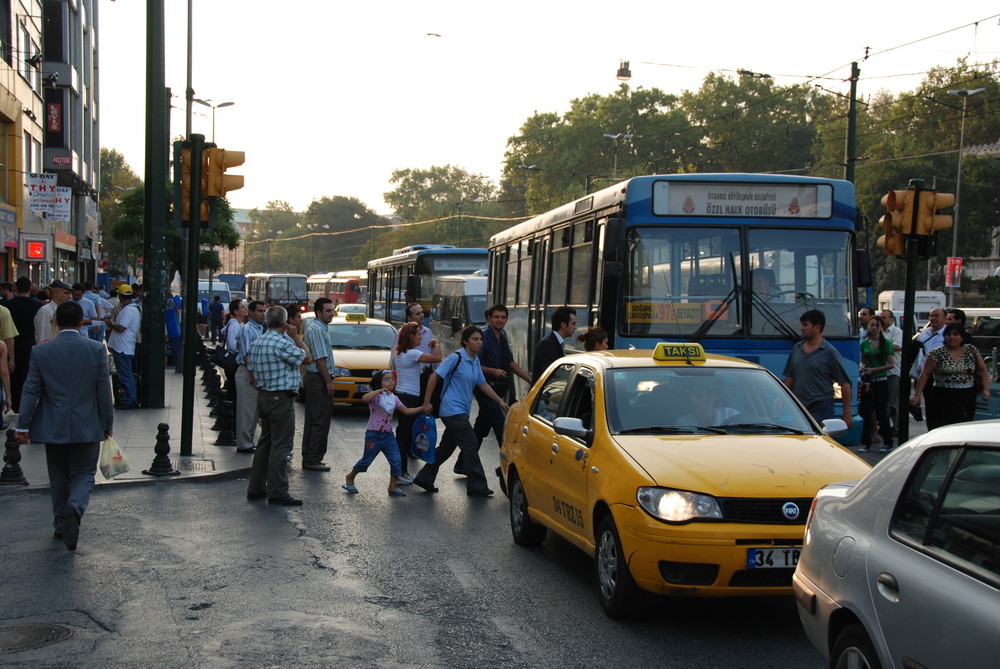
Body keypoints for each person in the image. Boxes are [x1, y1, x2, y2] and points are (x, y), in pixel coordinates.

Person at [15, 300, 114, 551]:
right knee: (83, 474)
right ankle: (75, 507)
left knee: (58, 476)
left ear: (56, 322)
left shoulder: (41, 351)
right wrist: (107, 422)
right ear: (82, 322)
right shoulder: (95, 350)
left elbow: (31, 390)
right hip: (87, 423)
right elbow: (104, 391)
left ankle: (61, 522)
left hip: (53, 425)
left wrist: (23, 426)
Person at [412, 325, 509, 497]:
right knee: (470, 444)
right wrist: (426, 402)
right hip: (451, 409)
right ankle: (477, 485)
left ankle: (425, 478)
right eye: (475, 339)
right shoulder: (456, 357)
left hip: (462, 410)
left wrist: (500, 401)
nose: (479, 342)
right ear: (465, 341)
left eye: (481, 339)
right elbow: (435, 377)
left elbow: (483, 384)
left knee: (446, 448)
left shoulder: (475, 361)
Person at [246, 306, 312, 506]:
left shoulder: (258, 341)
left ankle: (256, 487)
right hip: (281, 398)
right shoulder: (282, 342)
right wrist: (296, 337)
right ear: (285, 323)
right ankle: (277, 490)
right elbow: (307, 358)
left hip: (264, 396)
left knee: (265, 443)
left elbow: (250, 369)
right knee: (281, 445)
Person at [343, 370, 425, 497]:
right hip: (373, 435)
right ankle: (350, 477)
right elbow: (364, 398)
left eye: (392, 379)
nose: (391, 381)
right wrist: (379, 391)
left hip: (388, 435)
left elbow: (407, 411)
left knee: (396, 460)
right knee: (366, 461)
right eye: (387, 379)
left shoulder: (394, 398)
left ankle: (392, 486)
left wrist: (422, 408)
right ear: (379, 383)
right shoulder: (375, 397)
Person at [910, 323, 990, 429]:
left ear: (962, 337)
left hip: (965, 395)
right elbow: (925, 374)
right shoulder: (937, 353)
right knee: (941, 426)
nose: (952, 337)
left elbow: (983, 369)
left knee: (963, 426)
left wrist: (986, 389)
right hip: (942, 395)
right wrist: (917, 395)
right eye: (948, 334)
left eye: (955, 334)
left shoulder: (971, 350)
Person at [783, 309, 854, 428]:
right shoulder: (797, 349)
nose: (801, 328)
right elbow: (790, 377)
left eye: (805, 325)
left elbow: (845, 384)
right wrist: (781, 397)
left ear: (817, 327)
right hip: (799, 408)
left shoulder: (829, 352)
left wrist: (847, 414)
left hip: (821, 407)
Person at [474, 304, 532, 450]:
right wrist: (493, 371)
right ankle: (506, 463)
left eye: (503, 317)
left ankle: (462, 463)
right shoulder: (484, 337)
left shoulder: (502, 336)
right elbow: (474, 365)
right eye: (496, 317)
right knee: (501, 425)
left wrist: (532, 381)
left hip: (497, 387)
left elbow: (511, 363)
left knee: (482, 427)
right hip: (484, 387)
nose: (500, 320)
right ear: (489, 319)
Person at [392, 321, 441, 483]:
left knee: (403, 434)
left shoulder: (399, 353)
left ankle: (402, 472)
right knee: (405, 436)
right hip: (409, 397)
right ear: (412, 337)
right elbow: (437, 358)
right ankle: (399, 474)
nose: (421, 337)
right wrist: (437, 344)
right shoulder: (412, 354)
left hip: (401, 394)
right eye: (419, 334)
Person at [301, 297, 336, 471]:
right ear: (319, 312)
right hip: (318, 379)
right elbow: (320, 359)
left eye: (332, 310)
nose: (332, 313)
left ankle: (311, 457)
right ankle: (312, 459)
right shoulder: (316, 330)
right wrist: (328, 382)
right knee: (318, 420)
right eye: (328, 310)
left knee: (316, 418)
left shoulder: (322, 329)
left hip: (318, 378)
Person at [858, 316, 894, 453]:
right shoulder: (864, 343)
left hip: (881, 381)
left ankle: (888, 441)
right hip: (868, 381)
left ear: (880, 327)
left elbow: (891, 364)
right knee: (865, 412)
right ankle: (866, 442)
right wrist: (863, 367)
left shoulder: (886, 344)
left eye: (876, 325)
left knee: (881, 413)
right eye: (871, 325)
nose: (873, 328)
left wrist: (875, 370)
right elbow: (863, 361)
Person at [235, 300, 266, 454]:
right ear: (251, 312)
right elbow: (248, 357)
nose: (263, 314)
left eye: (264, 311)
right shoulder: (248, 330)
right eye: (260, 311)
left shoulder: (259, 329)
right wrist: (254, 379)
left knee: (254, 411)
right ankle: (244, 443)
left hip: (255, 375)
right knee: (246, 411)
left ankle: (248, 441)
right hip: (247, 374)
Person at [7, 277, 40, 413]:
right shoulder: (37, 305)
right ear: (30, 287)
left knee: (13, 374)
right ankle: (25, 403)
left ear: (15, 288)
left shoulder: (8, 305)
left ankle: (14, 402)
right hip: (31, 342)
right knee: (28, 374)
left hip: (13, 343)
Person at [106, 284, 141, 409]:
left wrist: (111, 323)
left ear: (120, 296)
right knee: (125, 374)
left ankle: (129, 399)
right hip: (123, 346)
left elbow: (121, 328)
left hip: (123, 347)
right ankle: (128, 398)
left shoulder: (129, 310)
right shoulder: (131, 309)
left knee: (126, 375)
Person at [910, 307, 946, 426]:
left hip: (938, 375)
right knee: (929, 408)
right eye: (931, 316)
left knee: (938, 407)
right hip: (922, 373)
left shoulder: (947, 334)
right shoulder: (924, 332)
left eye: (936, 316)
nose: (932, 319)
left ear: (944, 318)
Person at [531, 306, 577, 383]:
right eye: (573, 324)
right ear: (563, 325)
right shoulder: (546, 344)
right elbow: (551, 373)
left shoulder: (556, 342)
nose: (575, 328)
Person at [879, 309, 903, 437]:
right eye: (880, 317)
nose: (881, 320)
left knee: (893, 402)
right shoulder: (878, 331)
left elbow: (898, 346)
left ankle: (897, 428)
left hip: (892, 372)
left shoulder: (897, 332)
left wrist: (880, 345)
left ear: (891, 320)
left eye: (884, 317)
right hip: (880, 372)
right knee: (884, 403)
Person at [34, 279, 72, 344]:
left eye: (70, 293)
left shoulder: (65, 310)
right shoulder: (45, 311)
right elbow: (43, 338)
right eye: (66, 293)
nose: (69, 296)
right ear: (56, 293)